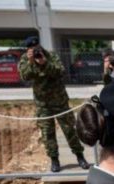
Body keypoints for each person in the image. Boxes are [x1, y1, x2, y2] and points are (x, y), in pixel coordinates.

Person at [18, 36, 91, 174]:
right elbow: (25, 77)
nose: (35, 51)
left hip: (60, 102)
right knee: (48, 134)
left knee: (70, 130)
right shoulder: (25, 60)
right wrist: (31, 62)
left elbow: (60, 72)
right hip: (43, 104)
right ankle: (54, 160)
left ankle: (80, 157)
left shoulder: (51, 56)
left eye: (36, 48)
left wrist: (45, 63)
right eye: (31, 49)